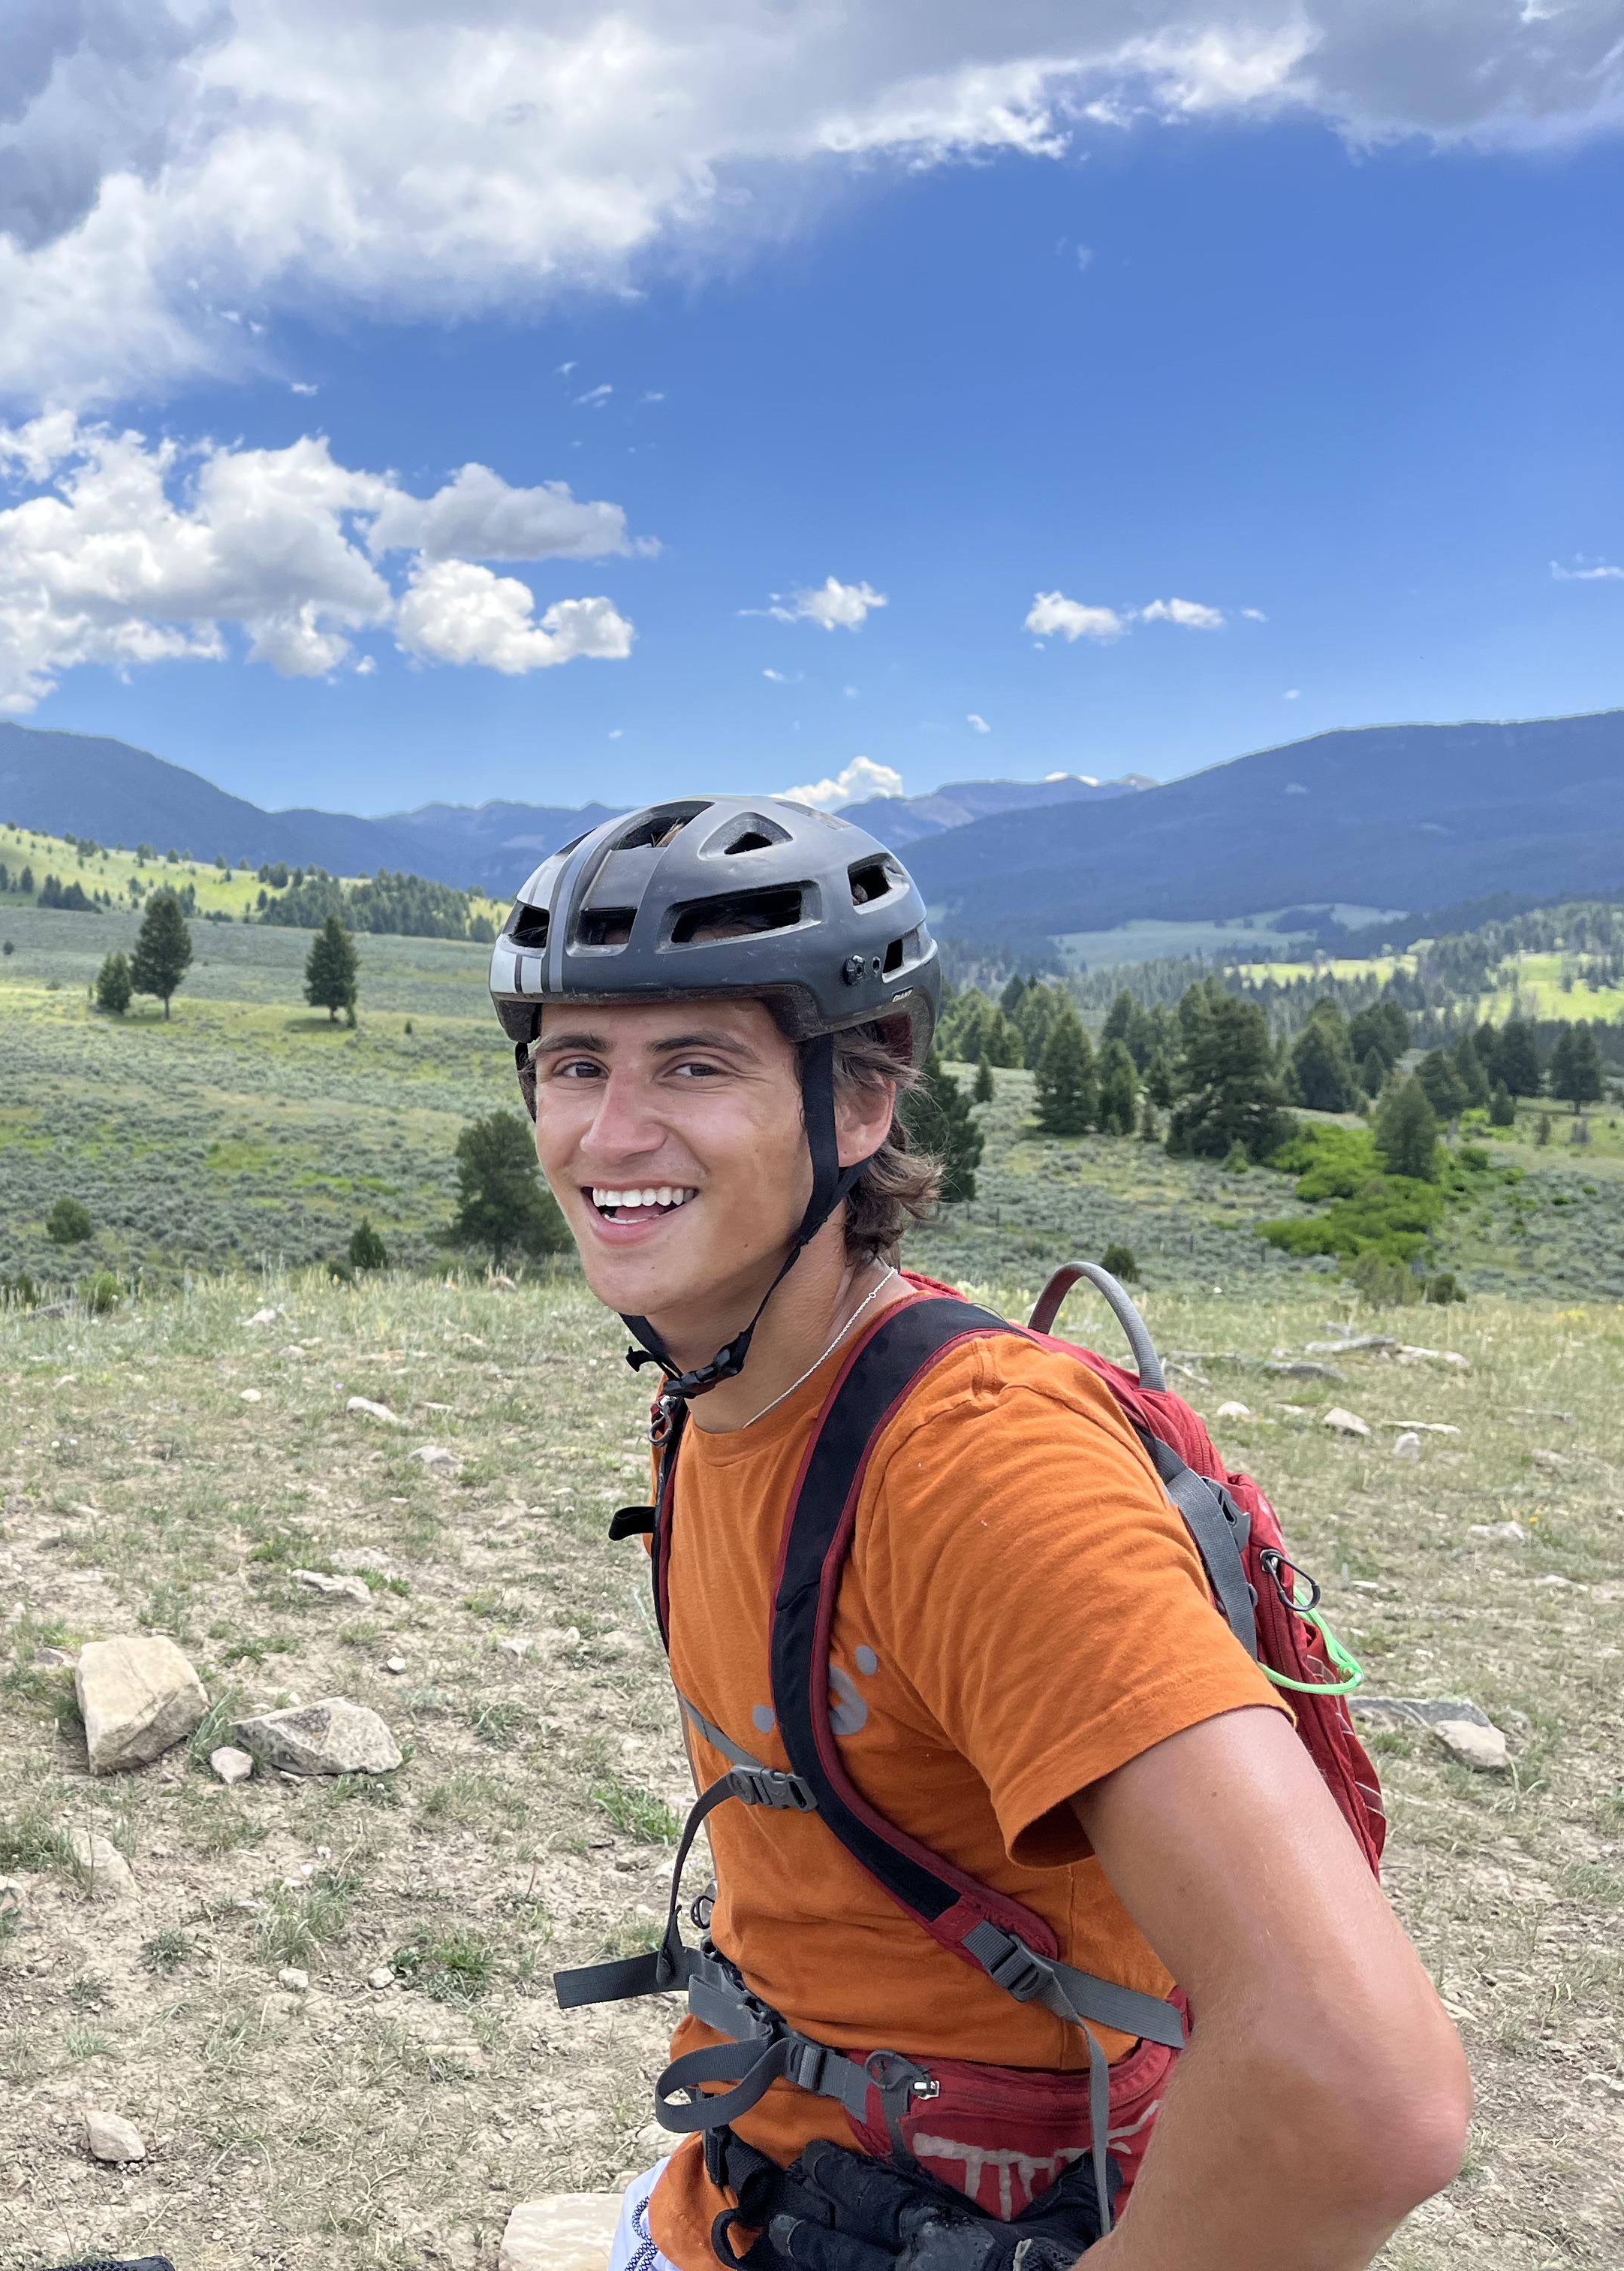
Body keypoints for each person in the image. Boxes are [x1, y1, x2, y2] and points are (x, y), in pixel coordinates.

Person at [489, 798, 1469, 2270]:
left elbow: (1363, 2093)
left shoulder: (978, 1472)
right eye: (574, 1066)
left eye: (696, 1065)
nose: (612, 1134)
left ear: (864, 1101)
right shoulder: (721, 1380)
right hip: (763, 2178)